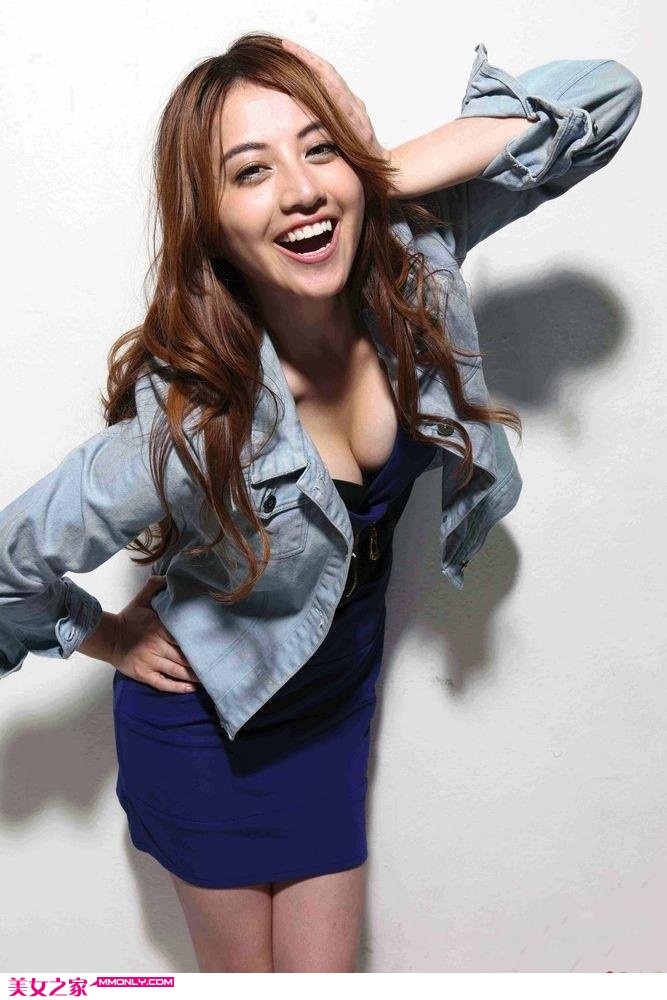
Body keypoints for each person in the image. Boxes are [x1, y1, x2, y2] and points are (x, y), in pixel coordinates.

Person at [0, 33, 642, 973]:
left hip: (333, 710)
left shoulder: (411, 264)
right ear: (208, 220)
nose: (299, 190)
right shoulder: (188, 425)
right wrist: (108, 636)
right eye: (251, 171)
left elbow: (606, 98)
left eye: (317, 147)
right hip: (209, 732)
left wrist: (371, 177)